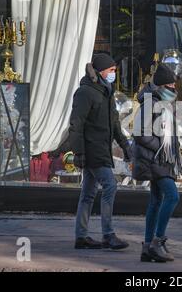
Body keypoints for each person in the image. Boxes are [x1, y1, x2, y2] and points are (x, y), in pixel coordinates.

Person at [69, 53, 133, 250]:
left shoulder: (106, 92)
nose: (114, 73)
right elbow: (76, 124)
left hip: (100, 149)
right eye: (111, 70)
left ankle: (81, 236)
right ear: (101, 71)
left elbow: (114, 124)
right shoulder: (86, 92)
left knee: (88, 193)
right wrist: (78, 153)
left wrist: (126, 147)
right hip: (92, 150)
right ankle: (108, 234)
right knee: (110, 186)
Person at [132, 64, 182, 263]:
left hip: (159, 160)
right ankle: (158, 241)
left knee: (156, 201)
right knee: (172, 196)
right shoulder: (150, 103)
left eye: (174, 83)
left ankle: (147, 246)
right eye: (170, 84)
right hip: (155, 159)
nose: (173, 87)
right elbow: (140, 134)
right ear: (161, 85)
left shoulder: (163, 103)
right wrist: (162, 148)